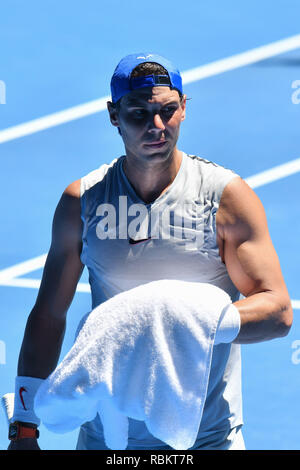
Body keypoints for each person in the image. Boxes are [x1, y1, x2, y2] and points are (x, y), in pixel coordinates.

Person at [8, 53, 293, 450]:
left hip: (207, 441)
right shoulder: (83, 201)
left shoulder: (226, 198)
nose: (156, 126)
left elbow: (277, 312)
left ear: (184, 108)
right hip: (107, 442)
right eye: (139, 114)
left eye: (167, 111)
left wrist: (180, 320)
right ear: (113, 115)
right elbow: (48, 316)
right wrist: (23, 426)